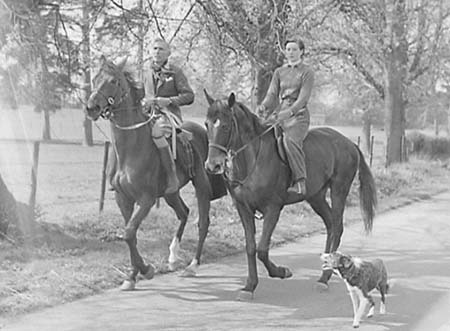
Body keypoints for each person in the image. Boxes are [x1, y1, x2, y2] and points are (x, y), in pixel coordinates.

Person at [256, 38, 314, 195]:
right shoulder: (279, 72)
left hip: (298, 116)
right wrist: (264, 105)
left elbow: (303, 98)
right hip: (279, 114)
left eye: (295, 49)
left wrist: (289, 112)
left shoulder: (307, 72)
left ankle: (300, 181)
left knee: (289, 141)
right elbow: (272, 94)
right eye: (288, 49)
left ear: (301, 51)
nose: (291, 53)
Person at [142, 38, 195, 194]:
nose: (157, 52)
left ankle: (171, 176)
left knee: (160, 133)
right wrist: (143, 102)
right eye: (155, 48)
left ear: (168, 53)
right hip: (148, 114)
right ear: (150, 52)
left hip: (169, 115)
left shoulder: (175, 72)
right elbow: (140, 93)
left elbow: (189, 96)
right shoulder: (145, 72)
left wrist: (169, 101)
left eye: (161, 49)